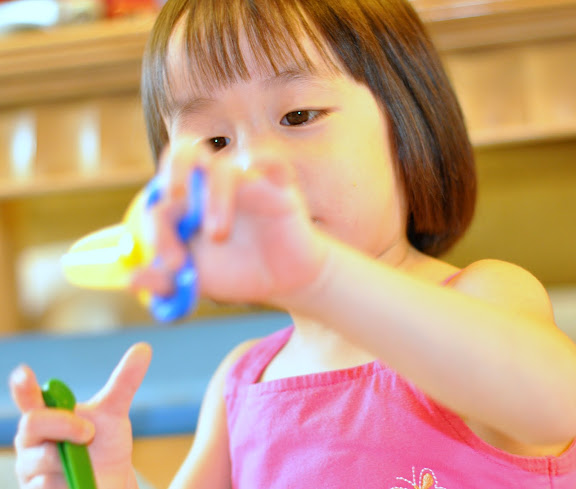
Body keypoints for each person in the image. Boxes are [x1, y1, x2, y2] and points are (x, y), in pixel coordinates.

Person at [10, 0, 576, 487]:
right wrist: (107, 479)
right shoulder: (242, 384)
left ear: (407, 124)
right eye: (215, 142)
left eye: (298, 115)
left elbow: (556, 404)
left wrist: (321, 276)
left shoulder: (486, 298)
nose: (251, 167)